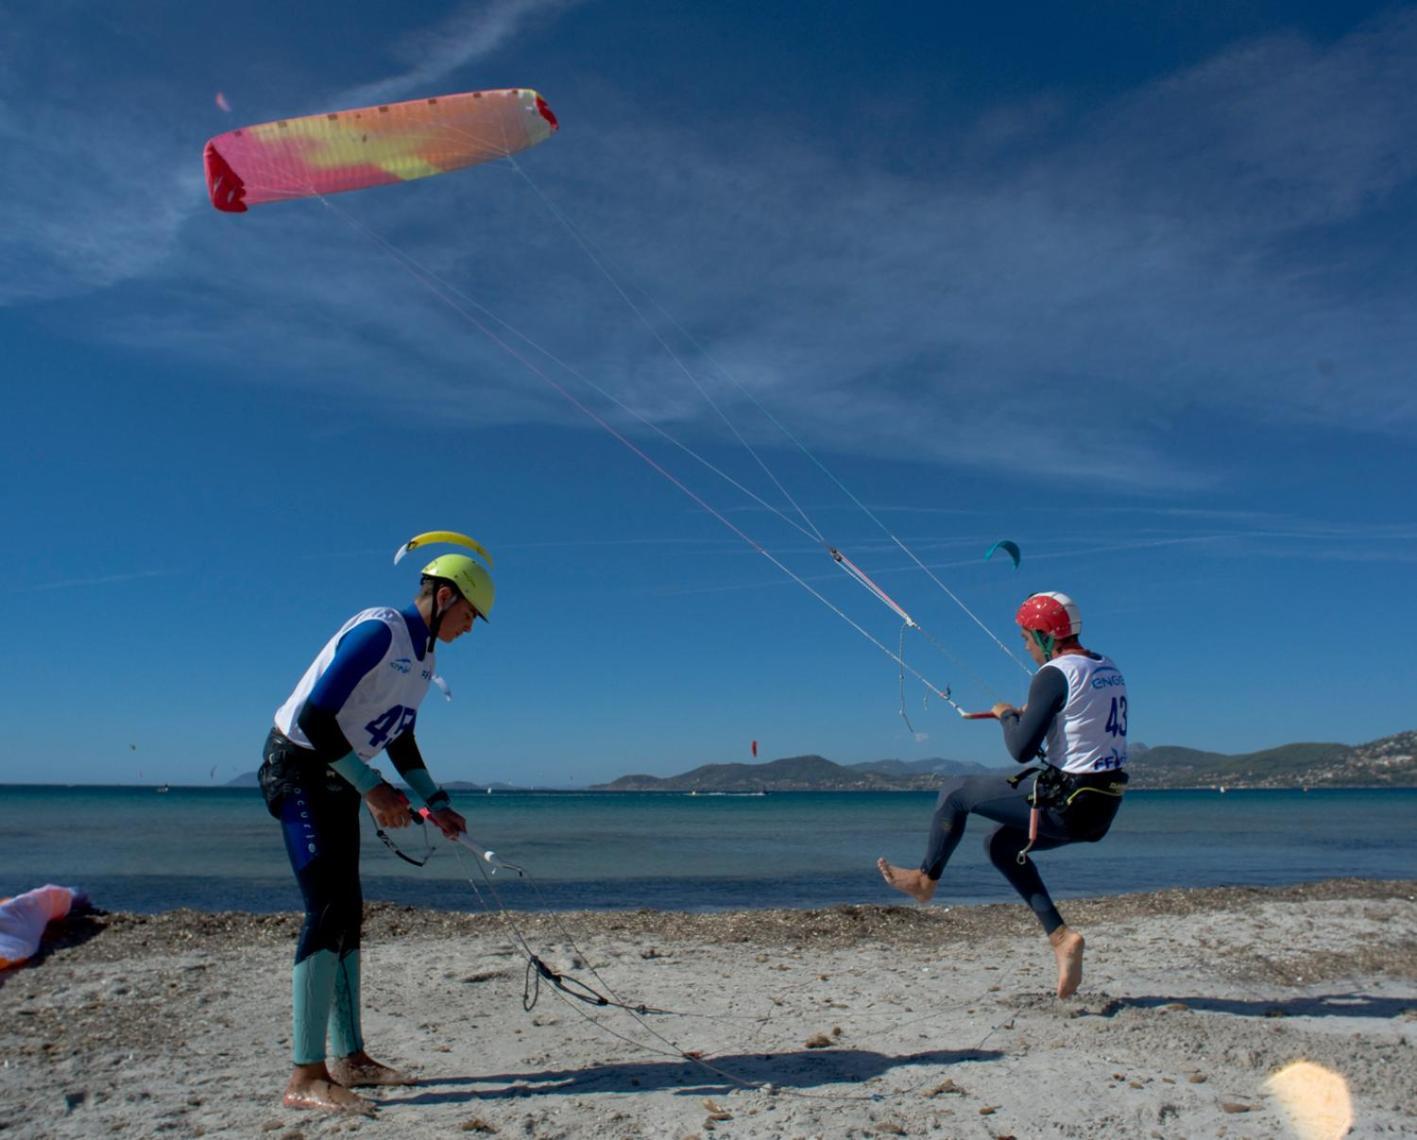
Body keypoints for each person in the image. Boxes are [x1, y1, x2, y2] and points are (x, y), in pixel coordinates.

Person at [258, 551, 492, 1114]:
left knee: (349, 910)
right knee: (326, 908)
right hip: (297, 768)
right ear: (445, 597)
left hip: (338, 774)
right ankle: (304, 1075)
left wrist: (434, 800)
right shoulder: (380, 631)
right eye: (469, 615)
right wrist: (373, 788)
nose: (469, 629)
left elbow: (400, 739)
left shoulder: (426, 657)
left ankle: (350, 1058)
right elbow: (315, 718)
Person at [877, 592, 1129, 998]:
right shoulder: (1106, 667)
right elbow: (1082, 725)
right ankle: (1062, 938)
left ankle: (925, 880)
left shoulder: (1053, 674)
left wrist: (1006, 716)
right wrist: (1034, 715)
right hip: (1102, 807)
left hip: (1067, 802)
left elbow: (1020, 749)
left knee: (956, 789)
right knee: (1001, 843)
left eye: (1028, 638)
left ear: (1047, 636)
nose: (1026, 647)